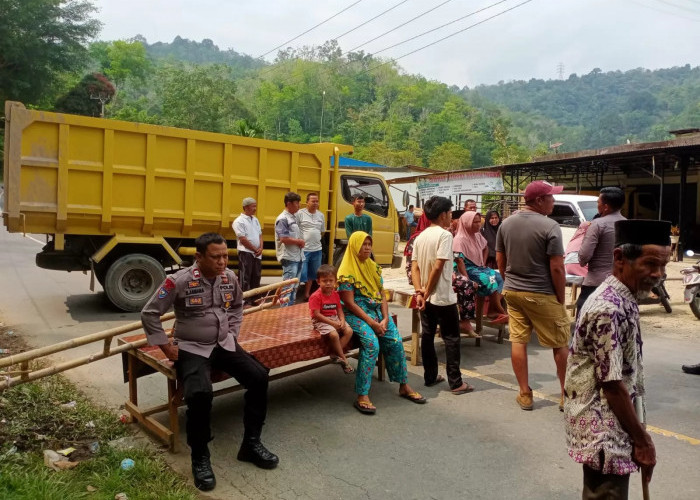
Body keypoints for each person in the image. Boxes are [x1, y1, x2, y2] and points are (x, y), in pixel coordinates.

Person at [141, 233, 278, 491]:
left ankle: (251, 443)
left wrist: (233, 333)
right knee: (200, 394)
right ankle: (200, 457)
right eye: (216, 257)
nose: (222, 262)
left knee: (259, 376)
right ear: (199, 257)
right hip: (192, 347)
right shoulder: (178, 281)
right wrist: (167, 349)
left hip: (224, 344)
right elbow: (149, 313)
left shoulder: (230, 277)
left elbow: (237, 306)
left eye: (226, 256)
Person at [565, 219, 670, 500]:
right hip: (604, 431)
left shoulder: (625, 297)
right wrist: (643, 441)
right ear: (620, 258)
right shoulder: (608, 308)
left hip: (616, 425)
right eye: (650, 264)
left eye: (663, 266)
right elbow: (611, 385)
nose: (658, 274)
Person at [496, 180, 569, 411]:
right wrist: (560, 297)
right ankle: (567, 395)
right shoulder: (550, 227)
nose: (554, 201)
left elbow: (500, 259)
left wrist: (509, 281)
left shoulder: (506, 224)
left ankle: (525, 393)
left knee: (518, 340)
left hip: (513, 291)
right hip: (542, 293)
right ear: (539, 200)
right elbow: (557, 267)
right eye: (551, 197)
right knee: (560, 343)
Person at [338, 231, 426, 414]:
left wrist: (385, 318)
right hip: (357, 314)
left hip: (377, 312)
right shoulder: (346, 271)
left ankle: (403, 385)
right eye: (363, 244)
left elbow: (381, 295)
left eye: (369, 244)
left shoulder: (373, 266)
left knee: (395, 341)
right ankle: (362, 394)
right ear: (355, 246)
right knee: (372, 345)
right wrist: (372, 322)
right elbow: (349, 303)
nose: (368, 247)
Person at [412, 196, 475, 395]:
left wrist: (420, 291)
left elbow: (415, 267)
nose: (451, 217)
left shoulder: (420, 236)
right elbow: (439, 266)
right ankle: (456, 383)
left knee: (428, 335)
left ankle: (430, 376)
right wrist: (428, 290)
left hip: (426, 296)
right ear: (442, 215)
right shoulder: (445, 235)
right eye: (449, 213)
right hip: (442, 296)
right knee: (451, 338)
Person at [405, 213, 477, 335]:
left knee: (468, 284)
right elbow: (414, 266)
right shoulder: (419, 238)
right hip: (423, 276)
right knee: (465, 285)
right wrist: (423, 291)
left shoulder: (444, 236)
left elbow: (449, 260)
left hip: (437, 274)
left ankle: (463, 321)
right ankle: (458, 323)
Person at [576, 187, 626, 312]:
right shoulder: (627, 224)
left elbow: (584, 257)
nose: (597, 205)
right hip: (620, 283)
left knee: (586, 326)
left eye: (598, 202)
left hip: (596, 283)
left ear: (606, 207)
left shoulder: (597, 224)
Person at [453, 211, 508, 323]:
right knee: (489, 279)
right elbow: (459, 260)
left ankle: (493, 310)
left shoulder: (477, 236)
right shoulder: (459, 239)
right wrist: (466, 279)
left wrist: (483, 261)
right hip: (465, 269)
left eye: (479, 222)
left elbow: (485, 248)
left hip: (478, 267)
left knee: (499, 277)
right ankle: (499, 310)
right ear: (467, 223)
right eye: (475, 222)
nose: (478, 224)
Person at [308, 264, 354, 374]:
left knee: (349, 331)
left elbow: (339, 310)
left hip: (333, 317)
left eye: (331, 280)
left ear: (335, 281)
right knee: (334, 334)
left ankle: (335, 354)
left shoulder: (335, 295)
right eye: (325, 281)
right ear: (318, 281)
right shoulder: (315, 296)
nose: (328, 283)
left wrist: (342, 320)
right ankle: (343, 359)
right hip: (320, 320)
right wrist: (333, 323)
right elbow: (316, 315)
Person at [275, 192, 305, 306]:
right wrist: (299, 241)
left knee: (294, 287)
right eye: (297, 203)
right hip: (289, 257)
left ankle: (290, 311)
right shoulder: (282, 219)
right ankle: (284, 312)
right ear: (289, 203)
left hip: (297, 256)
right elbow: (283, 238)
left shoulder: (294, 217)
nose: (299, 205)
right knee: (287, 288)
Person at [232, 197, 263, 306]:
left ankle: (255, 299)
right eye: (252, 206)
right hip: (246, 253)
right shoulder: (239, 221)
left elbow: (260, 234)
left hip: (256, 254)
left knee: (256, 276)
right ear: (245, 207)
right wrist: (255, 249)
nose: (255, 208)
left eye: (255, 206)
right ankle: (245, 301)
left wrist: (261, 248)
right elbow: (243, 239)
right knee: (245, 277)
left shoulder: (255, 219)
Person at [296, 192, 325, 301]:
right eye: (313, 201)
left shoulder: (321, 215)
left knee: (313, 274)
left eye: (317, 201)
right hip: (304, 249)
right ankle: (293, 293)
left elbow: (322, 232)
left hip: (317, 249)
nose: (315, 203)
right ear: (307, 202)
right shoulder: (300, 213)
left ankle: (307, 295)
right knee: (301, 273)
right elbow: (296, 229)